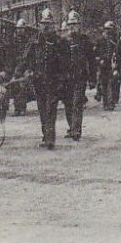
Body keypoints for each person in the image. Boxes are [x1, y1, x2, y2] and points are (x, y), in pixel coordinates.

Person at [13, 8, 70, 149]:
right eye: (44, 23)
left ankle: (50, 139)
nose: (46, 26)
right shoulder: (34, 42)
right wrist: (17, 74)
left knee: (51, 109)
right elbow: (25, 60)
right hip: (38, 82)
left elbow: (66, 63)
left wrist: (63, 80)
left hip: (54, 82)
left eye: (49, 24)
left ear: (53, 25)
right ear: (39, 25)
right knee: (43, 110)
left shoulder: (60, 42)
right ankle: (46, 136)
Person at [61, 11, 93, 140]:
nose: (72, 27)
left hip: (80, 77)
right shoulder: (63, 41)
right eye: (70, 24)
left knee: (77, 103)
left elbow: (91, 60)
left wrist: (92, 79)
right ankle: (71, 127)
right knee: (68, 104)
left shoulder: (85, 40)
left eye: (75, 24)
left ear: (79, 25)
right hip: (66, 78)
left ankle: (76, 130)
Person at [95, 21, 121, 110]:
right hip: (103, 65)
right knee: (104, 84)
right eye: (107, 29)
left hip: (113, 65)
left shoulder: (116, 40)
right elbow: (96, 53)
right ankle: (105, 102)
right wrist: (99, 60)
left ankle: (111, 102)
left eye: (110, 30)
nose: (108, 32)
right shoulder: (100, 40)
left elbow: (119, 52)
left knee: (113, 83)